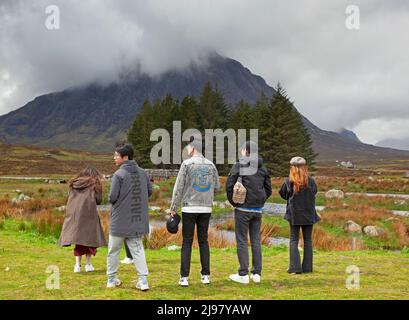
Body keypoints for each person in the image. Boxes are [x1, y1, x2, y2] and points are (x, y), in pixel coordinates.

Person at [170, 136, 220, 287]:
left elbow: (178, 188)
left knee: (187, 242)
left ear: (193, 148)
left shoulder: (186, 164)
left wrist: (173, 208)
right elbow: (216, 187)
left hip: (189, 208)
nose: (187, 149)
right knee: (204, 241)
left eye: (188, 147)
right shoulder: (211, 165)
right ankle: (205, 276)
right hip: (206, 208)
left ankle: (184, 277)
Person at [106, 143, 152, 290]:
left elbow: (112, 197)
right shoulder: (143, 173)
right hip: (136, 220)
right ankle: (143, 281)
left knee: (113, 251)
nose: (114, 158)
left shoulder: (118, 174)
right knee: (138, 250)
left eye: (116, 155)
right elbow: (149, 191)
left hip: (119, 221)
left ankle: (111, 280)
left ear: (125, 157)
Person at [226, 141, 272, 284]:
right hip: (257, 210)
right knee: (256, 241)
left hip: (243, 209)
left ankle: (243, 275)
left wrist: (234, 202)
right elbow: (268, 189)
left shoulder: (239, 165)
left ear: (246, 151)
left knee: (242, 240)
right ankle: (256, 274)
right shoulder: (263, 168)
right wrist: (261, 202)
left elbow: (229, 185)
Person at [59, 166, 107, 273]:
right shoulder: (96, 184)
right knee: (90, 239)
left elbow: (69, 198)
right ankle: (88, 264)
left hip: (74, 214)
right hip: (88, 214)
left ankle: (77, 265)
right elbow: (99, 200)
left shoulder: (73, 183)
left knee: (78, 239)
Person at [278, 156, 320, 274]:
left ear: (292, 168)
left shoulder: (288, 182)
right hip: (309, 214)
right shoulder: (311, 181)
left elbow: (282, 194)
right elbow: (315, 192)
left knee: (293, 240)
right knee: (308, 241)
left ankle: (294, 268)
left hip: (294, 215)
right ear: (305, 167)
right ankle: (307, 268)